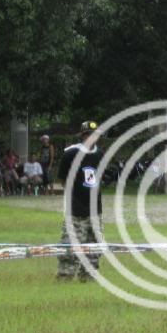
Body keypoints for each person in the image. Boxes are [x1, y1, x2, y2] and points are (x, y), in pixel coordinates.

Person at [57, 121, 104, 282]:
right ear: (82, 135)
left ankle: (88, 277)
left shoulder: (100, 154)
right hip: (76, 210)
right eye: (87, 135)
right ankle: (65, 277)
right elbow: (62, 179)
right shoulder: (71, 153)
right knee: (70, 246)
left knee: (94, 247)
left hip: (95, 211)